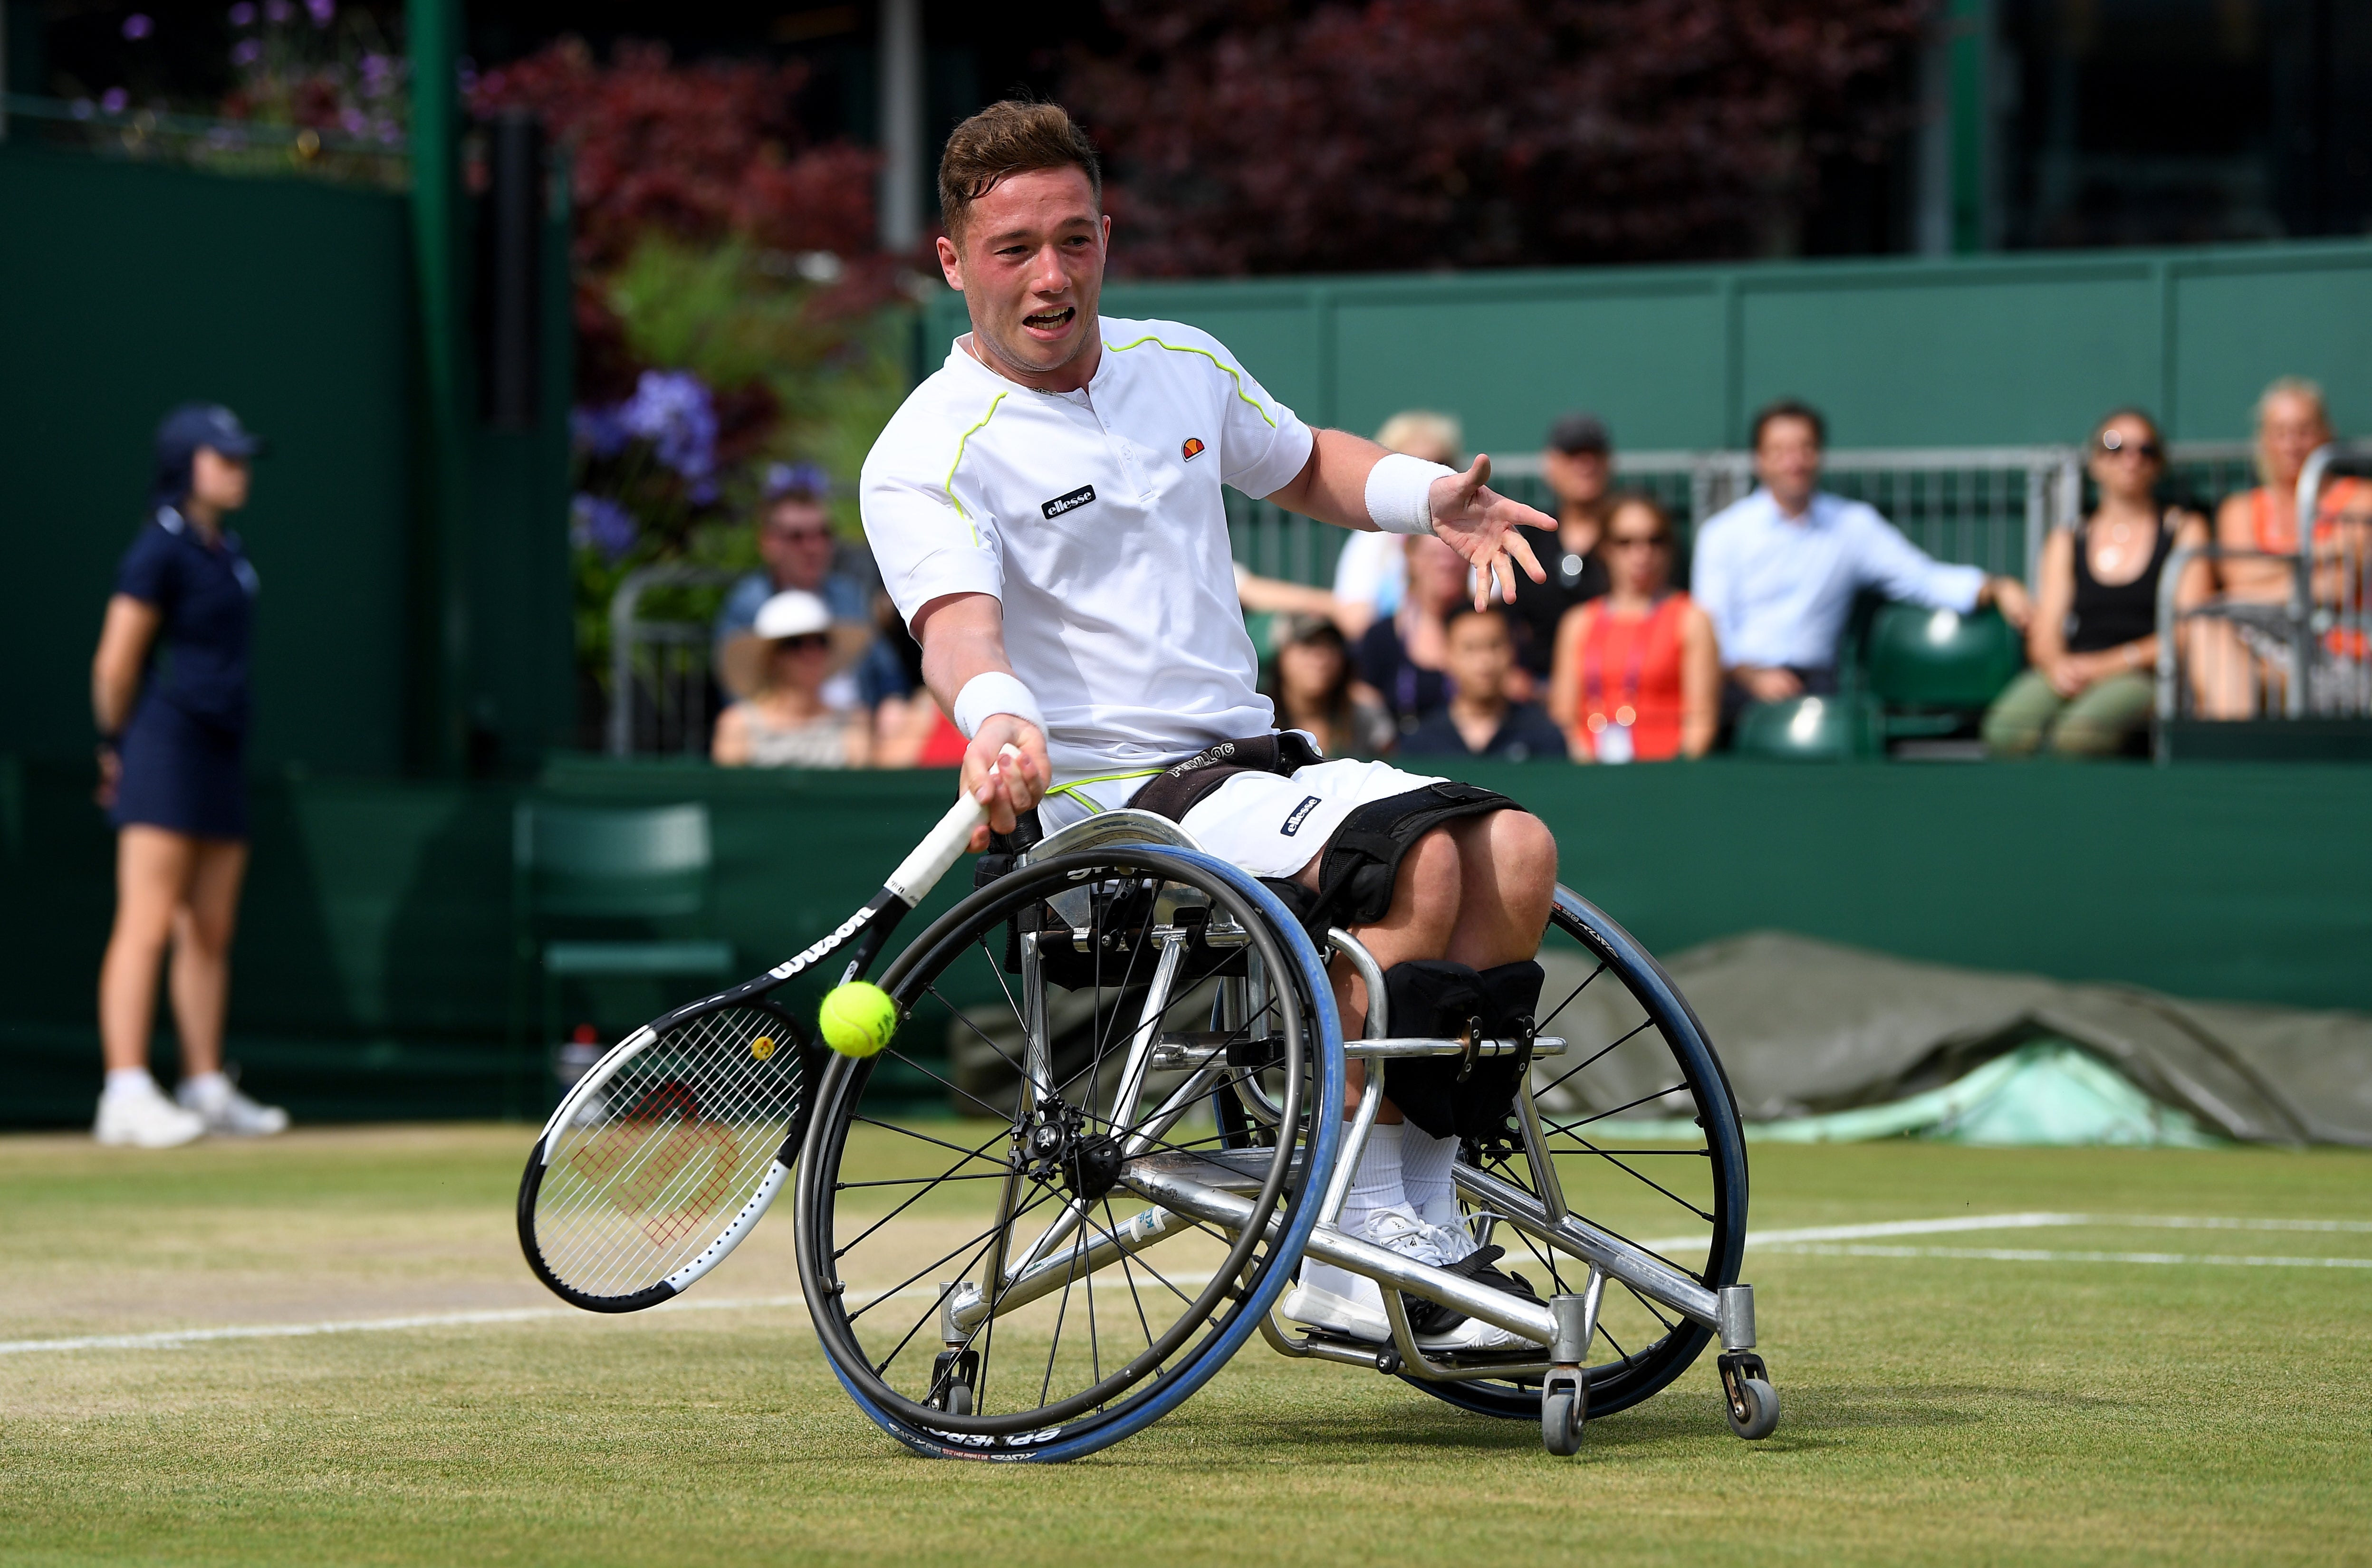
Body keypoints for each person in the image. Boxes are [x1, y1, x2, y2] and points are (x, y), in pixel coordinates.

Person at [860, 101, 1559, 1352]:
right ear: (952, 261)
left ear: (1106, 236)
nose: (1051, 275)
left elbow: (1300, 465)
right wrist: (997, 713)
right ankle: (1348, 1253)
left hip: (1249, 767)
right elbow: (956, 625)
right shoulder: (923, 451)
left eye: (1073, 240)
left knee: (1513, 849)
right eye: (1013, 248)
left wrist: (1422, 498)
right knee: (1417, 853)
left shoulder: (1175, 360)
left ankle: (1411, 1204)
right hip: (1107, 803)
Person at [88, 403, 290, 1147]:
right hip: (162, 744)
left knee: (208, 926)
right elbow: (114, 662)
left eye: (243, 458)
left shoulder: (226, 551)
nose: (239, 471)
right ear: (185, 466)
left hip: (220, 747)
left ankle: (204, 1084)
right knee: (145, 923)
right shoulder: (158, 551)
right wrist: (117, 744)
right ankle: (126, 1089)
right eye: (223, 457)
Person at [1692, 398, 2033, 723]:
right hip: (1733, 685)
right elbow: (1710, 628)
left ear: (1819, 455)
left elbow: (1920, 578)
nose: (1793, 461)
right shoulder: (1722, 534)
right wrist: (1750, 675)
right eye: (1779, 451)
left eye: (1805, 448)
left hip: (1818, 687)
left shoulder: (1853, 525)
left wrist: (1995, 587)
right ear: (1759, 460)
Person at [1984, 410, 2211, 757]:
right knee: (2005, 730)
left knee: (2079, 737)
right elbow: (2046, 628)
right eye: (2114, 446)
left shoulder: (2184, 529)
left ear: (2159, 463)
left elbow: (2187, 631)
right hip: (2076, 667)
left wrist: (2106, 665)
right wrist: (2057, 665)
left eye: (2145, 449)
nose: (2130, 460)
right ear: (2094, 461)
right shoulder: (2067, 539)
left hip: (2145, 674)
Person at [2185, 378, 2345, 717]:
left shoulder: (2359, 500)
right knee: (2206, 628)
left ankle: (2231, 752)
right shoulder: (2239, 509)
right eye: (2280, 432)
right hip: (2261, 652)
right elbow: (2241, 581)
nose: (2292, 444)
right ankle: (2234, 751)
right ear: (2263, 440)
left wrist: (2266, 577)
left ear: (2325, 434)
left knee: (2222, 679)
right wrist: (2318, 559)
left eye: (2303, 430)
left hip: (2341, 659)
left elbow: (2339, 586)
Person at [1548, 495, 1720, 762]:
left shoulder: (1692, 619)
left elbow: (1701, 721)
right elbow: (1563, 719)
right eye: (1625, 542)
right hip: (1588, 771)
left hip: (1666, 772)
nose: (1642, 554)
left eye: (1655, 541)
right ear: (1605, 548)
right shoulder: (1579, 622)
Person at [715, 468, 883, 711]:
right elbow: (735, 691)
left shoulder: (850, 596)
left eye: (823, 534)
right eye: (797, 537)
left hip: (856, 731)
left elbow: (886, 676)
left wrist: (893, 708)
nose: (813, 547)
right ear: (768, 543)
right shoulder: (746, 603)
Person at [1327, 411, 1463, 640]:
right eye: (1413, 465)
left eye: (1439, 465)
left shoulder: (1472, 535)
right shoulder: (1370, 539)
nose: (1429, 477)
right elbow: (1353, 617)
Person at [1502, 411, 1615, 686]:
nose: (1586, 465)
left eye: (1594, 455)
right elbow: (1506, 619)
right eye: (1573, 455)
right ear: (1550, 465)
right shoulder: (1527, 539)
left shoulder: (1629, 538)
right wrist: (1511, 674)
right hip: (1535, 687)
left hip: (1616, 681)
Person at [711, 591, 872, 767]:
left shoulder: (853, 722)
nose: (811, 653)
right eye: (796, 643)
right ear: (772, 657)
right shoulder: (738, 726)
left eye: (821, 641)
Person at [1400, 609, 1569, 761]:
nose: (1485, 662)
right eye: (1470, 649)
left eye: (1495, 646)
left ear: (1512, 652)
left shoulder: (1543, 735)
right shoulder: (1422, 744)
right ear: (1448, 655)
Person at [1356, 534, 1473, 732]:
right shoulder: (1381, 638)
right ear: (1412, 559)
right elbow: (1363, 703)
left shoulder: (1498, 630)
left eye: (1455, 554)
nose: (1448, 564)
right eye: (1435, 555)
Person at [1260, 612, 1395, 761]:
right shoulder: (1259, 720)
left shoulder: (1367, 719)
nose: (1321, 656)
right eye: (1308, 644)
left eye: (1331, 645)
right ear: (1282, 655)